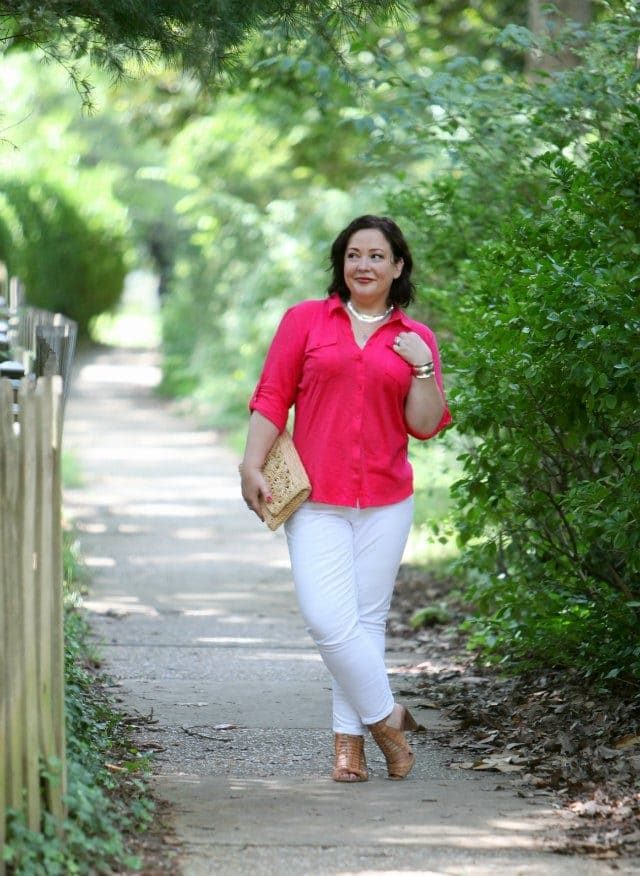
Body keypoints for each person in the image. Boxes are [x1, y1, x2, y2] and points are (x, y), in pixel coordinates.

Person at [240, 215, 451, 782]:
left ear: (397, 266)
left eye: (377, 256)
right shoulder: (306, 321)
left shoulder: (415, 338)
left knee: (365, 622)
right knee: (328, 620)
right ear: (341, 263)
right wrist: (250, 463)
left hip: (386, 499)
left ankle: (348, 749)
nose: (364, 265)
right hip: (317, 498)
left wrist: (423, 367)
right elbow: (271, 396)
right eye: (354, 254)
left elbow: (426, 425)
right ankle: (388, 719)